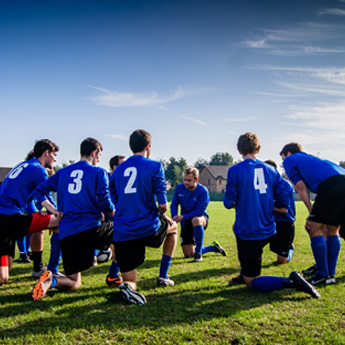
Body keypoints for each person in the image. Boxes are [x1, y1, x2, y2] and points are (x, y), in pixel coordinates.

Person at [224, 132, 320, 298]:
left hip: (249, 231)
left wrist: (240, 202)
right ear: (258, 149)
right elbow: (285, 193)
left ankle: (291, 282)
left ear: (239, 150)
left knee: (251, 282)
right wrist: (273, 204)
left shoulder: (235, 170)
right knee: (247, 249)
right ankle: (245, 270)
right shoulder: (271, 170)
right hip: (269, 228)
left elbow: (228, 202)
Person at [31, 137, 115, 301]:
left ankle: (51, 280)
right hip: (91, 229)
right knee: (121, 231)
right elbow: (106, 203)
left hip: (67, 233)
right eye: (99, 156)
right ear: (94, 153)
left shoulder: (63, 172)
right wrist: (117, 214)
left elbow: (38, 192)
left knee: (74, 282)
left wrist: (53, 210)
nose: (98, 160)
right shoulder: (98, 172)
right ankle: (116, 275)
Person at [112, 129, 178, 305]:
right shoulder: (155, 166)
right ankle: (163, 276)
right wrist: (162, 216)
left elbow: (113, 202)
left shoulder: (117, 171)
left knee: (131, 281)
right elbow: (163, 205)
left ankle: (128, 287)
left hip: (123, 231)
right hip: (147, 227)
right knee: (173, 229)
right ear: (148, 146)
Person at [280, 142, 345, 285]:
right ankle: (330, 275)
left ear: (288, 154)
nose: (283, 162)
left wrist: (311, 212)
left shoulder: (290, 160)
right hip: (341, 181)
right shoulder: (312, 160)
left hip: (331, 186)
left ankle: (322, 274)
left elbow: (301, 187)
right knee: (333, 229)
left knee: (314, 228)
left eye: (283, 158)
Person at [0, 139, 61, 285]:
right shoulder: (38, 169)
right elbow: (44, 196)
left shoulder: (24, 165)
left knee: (3, 276)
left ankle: (39, 267)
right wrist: (56, 213)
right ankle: (47, 269)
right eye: (54, 154)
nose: (55, 159)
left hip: (5, 220)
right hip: (8, 219)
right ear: (46, 152)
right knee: (60, 220)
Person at [170, 166, 226, 262]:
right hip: (185, 222)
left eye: (189, 180)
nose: (186, 182)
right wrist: (174, 216)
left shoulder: (203, 191)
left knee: (196, 219)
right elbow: (174, 204)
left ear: (196, 179)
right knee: (188, 254)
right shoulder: (180, 188)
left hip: (200, 219)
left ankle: (199, 254)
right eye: (184, 180)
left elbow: (199, 211)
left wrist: (182, 217)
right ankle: (212, 247)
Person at [265, 160, 296, 264]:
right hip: (271, 222)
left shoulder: (284, 185)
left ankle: (290, 249)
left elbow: (283, 209)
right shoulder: (266, 184)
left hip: (285, 224)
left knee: (281, 261)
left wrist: (266, 205)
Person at [104, 154, 125, 286]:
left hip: (118, 218)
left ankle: (113, 275)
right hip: (105, 219)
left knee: (119, 248)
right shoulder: (104, 178)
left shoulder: (123, 180)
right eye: (122, 164)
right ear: (115, 167)